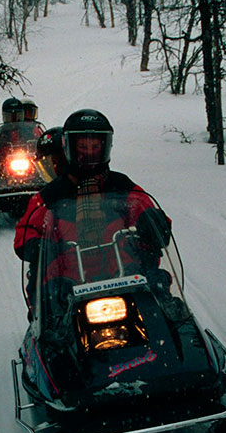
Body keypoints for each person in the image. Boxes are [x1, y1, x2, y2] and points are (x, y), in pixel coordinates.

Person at [14, 109, 170, 318]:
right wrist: (34, 244)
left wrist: (152, 221)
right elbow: (27, 229)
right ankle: (48, 336)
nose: (89, 152)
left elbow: (142, 205)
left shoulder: (121, 185)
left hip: (123, 270)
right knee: (52, 306)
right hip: (68, 275)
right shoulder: (50, 195)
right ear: (69, 147)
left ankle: (172, 330)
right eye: (82, 146)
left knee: (157, 292)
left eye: (95, 146)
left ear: (106, 146)